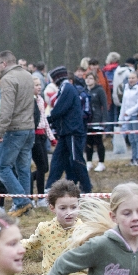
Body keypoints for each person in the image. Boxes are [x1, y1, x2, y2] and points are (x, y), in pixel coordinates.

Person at [0, 50, 36, 217]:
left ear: (4, 63)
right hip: (29, 127)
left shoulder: (8, 79)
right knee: (23, 168)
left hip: (14, 129)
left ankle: (21, 202)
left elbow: (6, 109)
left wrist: (0, 130)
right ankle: (25, 205)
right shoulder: (27, 75)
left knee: (2, 167)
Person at [46, 66, 92, 194]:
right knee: (57, 160)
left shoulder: (67, 88)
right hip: (65, 132)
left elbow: (60, 109)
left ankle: (86, 187)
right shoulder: (65, 88)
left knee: (76, 160)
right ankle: (49, 188)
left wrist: (47, 119)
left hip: (72, 131)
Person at [31, 77, 55, 204]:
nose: (39, 87)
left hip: (42, 136)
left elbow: (44, 120)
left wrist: (51, 137)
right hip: (34, 136)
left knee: (45, 167)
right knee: (41, 166)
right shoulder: (30, 100)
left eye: (40, 84)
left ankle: (30, 178)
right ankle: (40, 197)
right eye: (36, 85)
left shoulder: (40, 99)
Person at [118, 71, 138, 166]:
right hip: (127, 117)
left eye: (133, 78)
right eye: (129, 78)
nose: (131, 80)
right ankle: (133, 158)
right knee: (131, 138)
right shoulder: (126, 88)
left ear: (137, 79)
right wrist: (121, 118)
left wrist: (129, 112)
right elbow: (123, 104)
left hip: (135, 115)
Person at [85, 72, 108, 172]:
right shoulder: (84, 90)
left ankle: (101, 163)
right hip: (87, 120)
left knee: (98, 142)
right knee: (88, 142)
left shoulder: (99, 90)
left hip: (97, 119)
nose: (88, 80)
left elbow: (105, 106)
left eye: (90, 78)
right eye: (87, 78)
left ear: (95, 80)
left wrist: (104, 120)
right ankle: (89, 162)